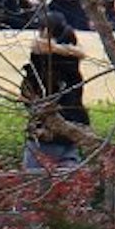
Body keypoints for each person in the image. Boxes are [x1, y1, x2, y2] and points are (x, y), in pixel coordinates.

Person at [19, 16, 91, 172]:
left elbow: (30, 94)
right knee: (71, 184)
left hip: (46, 133)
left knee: (34, 183)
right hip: (74, 128)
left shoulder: (44, 68)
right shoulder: (73, 67)